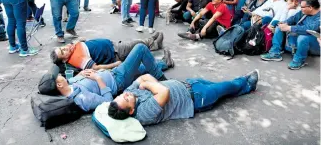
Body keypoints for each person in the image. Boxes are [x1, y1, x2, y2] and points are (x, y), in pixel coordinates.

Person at [41, 44, 173, 112]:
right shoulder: (82, 99)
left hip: (113, 72)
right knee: (140, 49)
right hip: (118, 79)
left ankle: (164, 63)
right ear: (59, 85)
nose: (60, 74)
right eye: (57, 76)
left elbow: (77, 80)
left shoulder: (68, 84)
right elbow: (108, 101)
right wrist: (98, 79)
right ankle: (163, 81)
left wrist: (81, 74)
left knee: (143, 67)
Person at [108, 70, 259, 126]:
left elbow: (145, 76)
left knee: (223, 88)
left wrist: (149, 84)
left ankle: (243, 87)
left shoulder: (129, 94)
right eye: (126, 98)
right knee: (228, 86)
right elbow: (164, 92)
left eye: (122, 95)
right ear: (131, 111)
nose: (126, 93)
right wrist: (148, 85)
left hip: (189, 83)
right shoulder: (143, 114)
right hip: (197, 97)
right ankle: (247, 82)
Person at [261, 0, 320, 70]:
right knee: (280, 27)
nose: (300, 8)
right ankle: (275, 53)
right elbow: (293, 18)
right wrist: (284, 23)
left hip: (316, 45)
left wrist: (289, 28)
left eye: (302, 7)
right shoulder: (304, 12)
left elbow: (308, 29)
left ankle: (299, 60)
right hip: (301, 40)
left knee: (303, 37)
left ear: (310, 7)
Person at [50, 32, 166, 70]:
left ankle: (152, 43)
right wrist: (114, 64)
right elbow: (95, 67)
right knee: (135, 45)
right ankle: (153, 43)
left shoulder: (71, 48)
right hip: (114, 53)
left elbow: (83, 39)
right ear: (65, 59)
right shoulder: (76, 60)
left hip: (111, 46)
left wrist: (74, 44)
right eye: (62, 52)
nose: (64, 48)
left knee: (134, 45)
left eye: (61, 48)